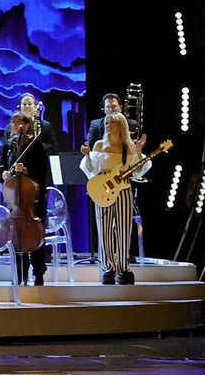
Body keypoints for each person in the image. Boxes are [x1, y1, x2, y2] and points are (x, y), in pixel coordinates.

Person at [82, 113, 150, 285]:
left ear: (121, 126)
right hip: (102, 192)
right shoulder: (99, 145)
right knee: (104, 232)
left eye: (112, 122)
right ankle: (108, 269)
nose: (108, 125)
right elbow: (91, 170)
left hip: (123, 191)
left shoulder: (129, 147)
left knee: (123, 231)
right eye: (106, 123)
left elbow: (137, 172)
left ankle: (123, 268)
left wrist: (140, 152)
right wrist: (88, 155)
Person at [3, 111, 52, 286]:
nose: (17, 125)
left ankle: (38, 274)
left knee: (34, 236)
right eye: (14, 123)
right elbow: (1, 167)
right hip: (14, 202)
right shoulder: (9, 145)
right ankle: (19, 274)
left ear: (28, 124)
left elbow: (44, 171)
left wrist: (26, 172)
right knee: (16, 237)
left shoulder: (36, 145)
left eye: (21, 122)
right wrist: (3, 173)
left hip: (33, 200)